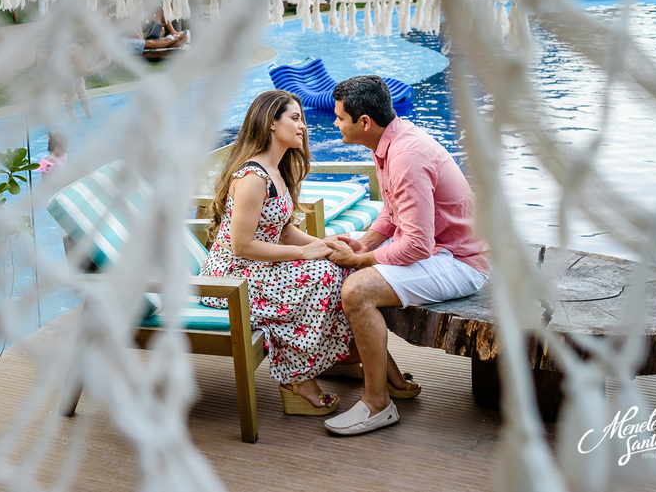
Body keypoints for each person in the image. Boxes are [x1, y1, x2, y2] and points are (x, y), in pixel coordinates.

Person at [321, 75, 489, 436]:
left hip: (460, 261)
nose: (335, 123)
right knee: (334, 256)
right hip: (439, 250)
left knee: (356, 290)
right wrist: (365, 243)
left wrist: (363, 261)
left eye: (339, 117)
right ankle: (386, 378)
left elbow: (416, 245)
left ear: (364, 122)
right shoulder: (390, 140)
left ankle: (377, 404)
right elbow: (391, 212)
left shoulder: (405, 156)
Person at [199, 89, 355, 415]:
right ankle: (297, 379)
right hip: (230, 276)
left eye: (303, 120)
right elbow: (241, 246)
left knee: (337, 265)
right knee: (322, 275)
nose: (303, 127)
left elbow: (282, 229)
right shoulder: (254, 177)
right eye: (295, 118)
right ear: (272, 122)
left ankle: (325, 362)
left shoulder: (276, 171)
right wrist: (304, 255)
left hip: (257, 267)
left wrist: (322, 244)